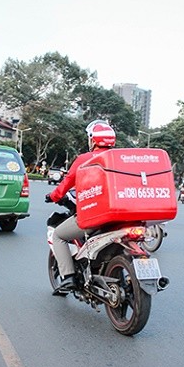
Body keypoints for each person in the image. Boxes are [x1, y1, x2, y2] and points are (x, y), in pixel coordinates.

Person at [45, 120, 116, 293]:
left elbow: (66, 184)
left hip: (95, 216)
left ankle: (68, 277)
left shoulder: (85, 159)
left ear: (93, 140)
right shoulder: (119, 158)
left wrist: (53, 196)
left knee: (58, 236)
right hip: (121, 217)